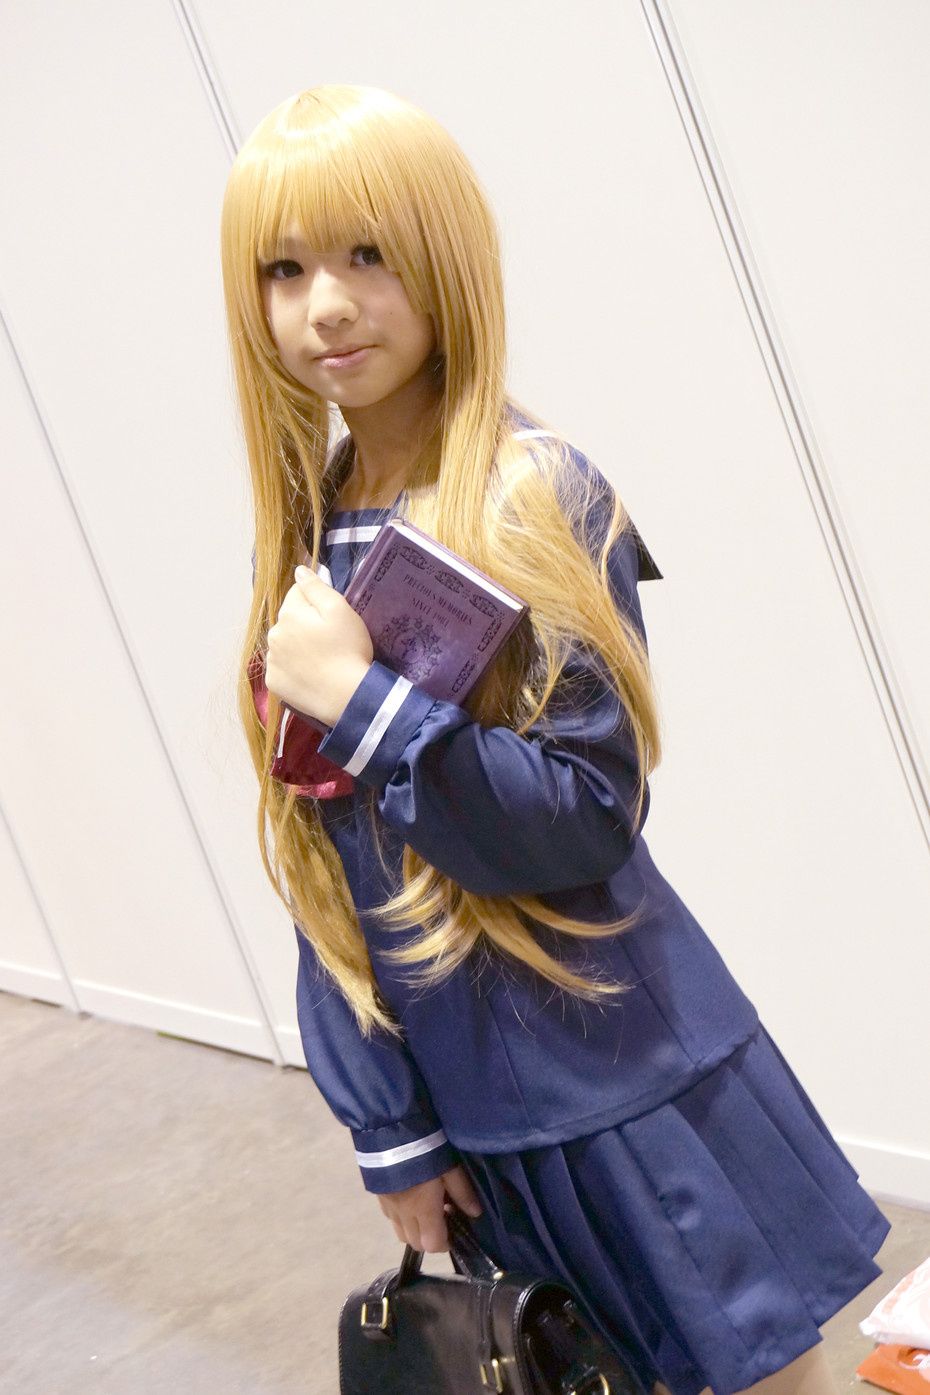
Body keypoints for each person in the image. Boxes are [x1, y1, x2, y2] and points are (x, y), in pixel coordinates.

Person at [221, 83, 891, 1395]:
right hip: (473, 1120)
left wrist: (363, 702)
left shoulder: (537, 497)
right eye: (284, 269)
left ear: (446, 257)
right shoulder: (303, 533)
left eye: (367, 253)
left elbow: (585, 813)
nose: (327, 306)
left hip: (628, 1085)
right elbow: (319, 868)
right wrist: (389, 1126)